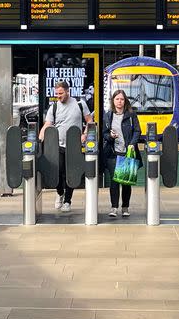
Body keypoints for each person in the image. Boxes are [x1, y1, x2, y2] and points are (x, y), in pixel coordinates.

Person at [39, 81, 93, 213]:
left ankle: (68, 201)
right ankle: (59, 193)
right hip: (58, 145)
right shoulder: (54, 108)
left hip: (74, 146)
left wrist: (85, 134)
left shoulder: (80, 104)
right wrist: (39, 137)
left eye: (61, 93)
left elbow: (90, 121)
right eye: (56, 93)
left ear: (68, 91)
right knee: (58, 171)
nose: (58, 96)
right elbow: (48, 124)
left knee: (71, 173)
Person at [101, 89, 141, 218]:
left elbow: (137, 131)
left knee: (126, 182)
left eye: (122, 99)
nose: (119, 101)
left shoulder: (131, 115)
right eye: (117, 99)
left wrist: (132, 143)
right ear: (113, 101)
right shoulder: (108, 115)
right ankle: (114, 207)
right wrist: (110, 136)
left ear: (125, 101)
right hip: (113, 153)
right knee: (114, 182)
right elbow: (104, 133)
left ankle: (125, 207)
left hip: (127, 152)